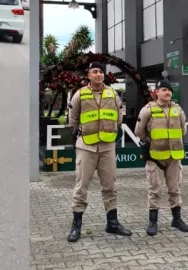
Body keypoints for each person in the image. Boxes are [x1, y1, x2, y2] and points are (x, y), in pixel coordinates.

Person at [66, 62, 131, 242]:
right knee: (81, 186)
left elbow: (119, 116)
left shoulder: (113, 94)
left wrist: (111, 130)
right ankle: (76, 226)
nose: (98, 74)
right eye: (95, 71)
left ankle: (112, 223)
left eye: (101, 71)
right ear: (88, 75)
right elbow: (72, 119)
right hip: (86, 146)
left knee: (110, 186)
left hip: (107, 146)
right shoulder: (80, 94)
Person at [135, 80, 188, 236]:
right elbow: (139, 131)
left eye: (169, 90)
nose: (168, 93)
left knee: (175, 189)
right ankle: (153, 222)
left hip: (174, 156)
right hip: (156, 157)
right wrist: (151, 143)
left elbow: (183, 130)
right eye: (164, 90)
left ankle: (177, 219)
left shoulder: (177, 109)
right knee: (155, 190)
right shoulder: (148, 109)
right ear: (157, 92)